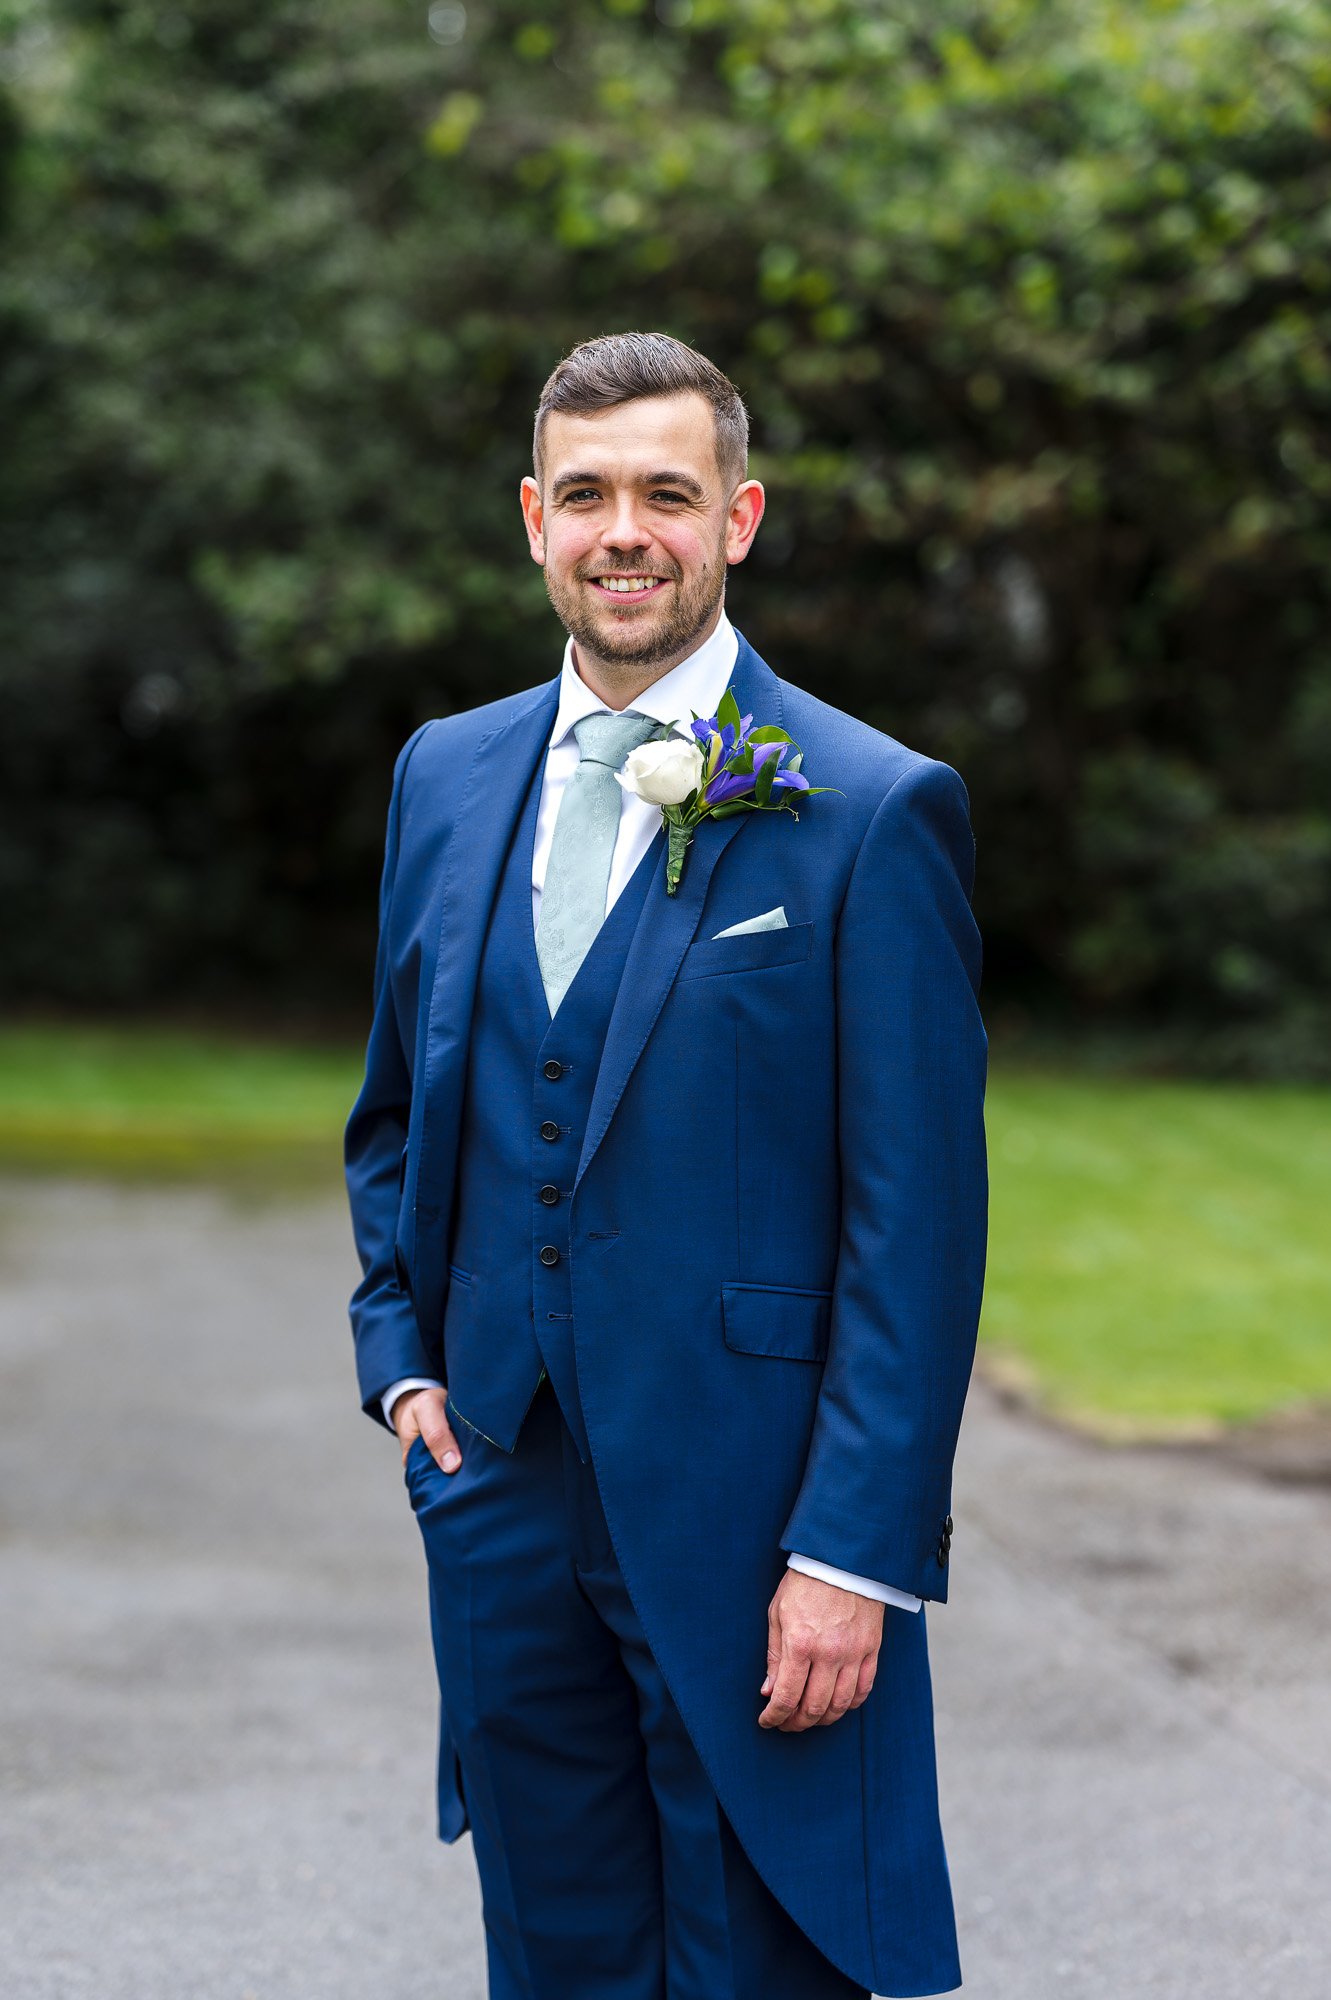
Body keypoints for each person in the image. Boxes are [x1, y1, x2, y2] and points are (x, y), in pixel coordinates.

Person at [345, 331, 987, 2000]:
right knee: (554, 1953)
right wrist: (402, 1367)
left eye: (667, 494)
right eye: (586, 495)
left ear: (739, 518)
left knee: (753, 1960)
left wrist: (852, 1552)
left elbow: (915, 1225)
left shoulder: (868, 806)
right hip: (498, 1482)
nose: (623, 531)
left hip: (752, 1512)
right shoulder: (444, 774)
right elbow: (399, 1113)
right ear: (533, 521)